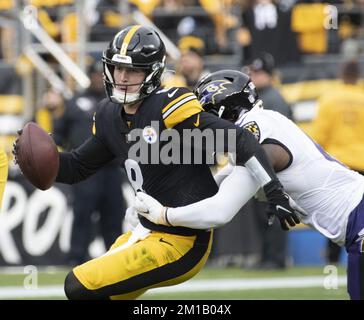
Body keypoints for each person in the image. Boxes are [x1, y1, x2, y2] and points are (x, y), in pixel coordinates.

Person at [14, 25, 298, 300]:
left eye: (133, 70)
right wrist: (33, 159)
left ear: (152, 72)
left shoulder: (170, 106)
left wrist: (273, 190)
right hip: (144, 231)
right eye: (118, 68)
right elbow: (77, 167)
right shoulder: (108, 115)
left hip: (182, 240)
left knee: (77, 285)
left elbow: (241, 140)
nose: (123, 77)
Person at [134, 70, 364, 300]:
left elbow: (219, 211)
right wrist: (156, 213)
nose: (201, 125)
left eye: (204, 116)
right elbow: (215, 185)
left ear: (223, 109)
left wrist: (164, 215)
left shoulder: (254, 133)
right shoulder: (262, 123)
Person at [49, 60, 127, 266]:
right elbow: (58, 134)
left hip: (111, 169)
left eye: (99, 76)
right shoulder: (75, 102)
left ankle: (115, 257)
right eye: (93, 75)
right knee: (82, 214)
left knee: (113, 215)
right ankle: (76, 257)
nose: (96, 79)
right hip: (84, 169)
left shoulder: (116, 102)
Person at [311, 59, 364, 265]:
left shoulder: (329, 98)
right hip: (361, 163)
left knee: (336, 215)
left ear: (341, 74)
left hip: (339, 166)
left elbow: (319, 136)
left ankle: (332, 259)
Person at [245, 52, 292, 269]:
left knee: (273, 212)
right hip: (264, 166)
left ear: (269, 74)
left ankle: (276, 258)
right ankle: (267, 256)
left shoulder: (273, 99)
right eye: (252, 72)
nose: (253, 76)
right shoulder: (262, 98)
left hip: (274, 168)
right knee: (263, 214)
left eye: (258, 72)